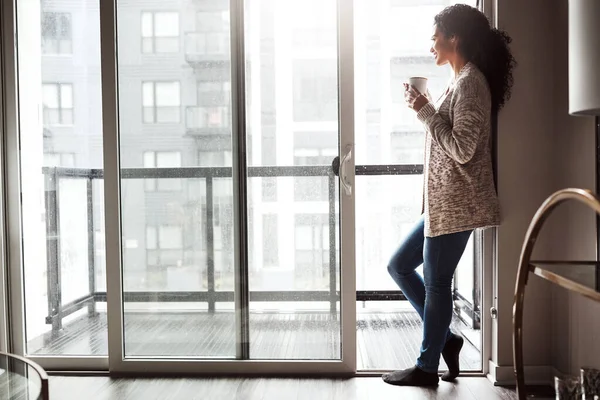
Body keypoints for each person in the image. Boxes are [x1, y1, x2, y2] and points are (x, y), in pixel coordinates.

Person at [382, 4, 516, 387]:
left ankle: (427, 368)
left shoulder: (471, 83)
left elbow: (462, 149)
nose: (431, 46)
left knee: (438, 284)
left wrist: (424, 111)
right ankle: (448, 339)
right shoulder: (458, 82)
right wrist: (425, 107)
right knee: (399, 266)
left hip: (460, 205)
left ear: (453, 37)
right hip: (444, 206)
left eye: (434, 37)